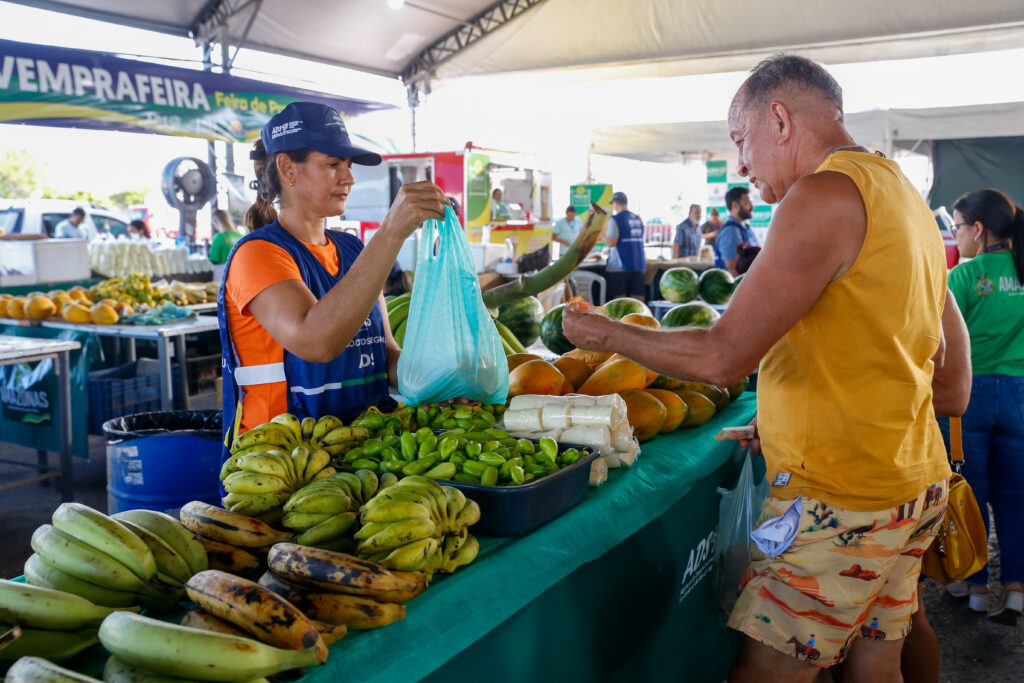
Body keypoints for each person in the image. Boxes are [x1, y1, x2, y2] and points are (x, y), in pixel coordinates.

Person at [563, 54, 970, 683]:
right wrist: (787, 417)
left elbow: (724, 355)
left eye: (740, 140)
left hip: (844, 494)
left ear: (779, 119)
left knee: (764, 674)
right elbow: (894, 345)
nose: (742, 164)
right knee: (876, 664)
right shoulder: (899, 191)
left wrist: (601, 332)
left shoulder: (822, 195)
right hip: (908, 479)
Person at [218, 101, 447, 451]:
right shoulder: (258, 255)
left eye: (349, 165)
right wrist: (390, 233)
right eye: (333, 164)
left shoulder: (353, 250)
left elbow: (384, 354)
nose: (349, 178)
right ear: (287, 169)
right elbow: (316, 342)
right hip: (280, 470)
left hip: (365, 455)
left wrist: (442, 381)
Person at [940, 188, 1024, 623]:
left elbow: (937, 344)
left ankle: (973, 586)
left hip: (968, 399)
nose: (956, 236)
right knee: (1016, 495)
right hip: (1020, 396)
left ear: (978, 229)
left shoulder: (963, 277)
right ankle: (1015, 589)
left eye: (956, 227)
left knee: (970, 492)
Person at [603, 191, 647, 301]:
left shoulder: (615, 219)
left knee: (619, 300)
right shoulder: (637, 218)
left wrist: (600, 234)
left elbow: (612, 242)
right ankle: (640, 318)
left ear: (615, 203)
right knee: (638, 299)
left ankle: (621, 319)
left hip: (620, 266)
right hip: (638, 264)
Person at [715, 186, 759, 275]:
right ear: (735, 205)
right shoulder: (731, 231)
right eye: (748, 203)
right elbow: (734, 271)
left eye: (752, 203)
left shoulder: (746, 228)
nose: (752, 206)